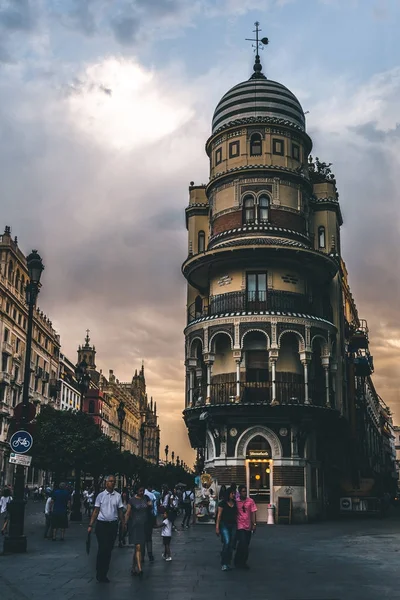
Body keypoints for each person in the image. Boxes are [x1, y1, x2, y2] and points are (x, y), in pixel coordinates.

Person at [88, 475, 125, 584]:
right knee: (103, 548)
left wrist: (123, 523)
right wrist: (90, 525)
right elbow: (96, 511)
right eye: (111, 481)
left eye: (114, 481)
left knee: (108, 550)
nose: (113, 483)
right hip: (102, 525)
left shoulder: (118, 496)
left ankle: (104, 573)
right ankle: (99, 571)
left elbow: (120, 511)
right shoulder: (101, 496)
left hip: (112, 525)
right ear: (106, 483)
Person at [124, 484, 153, 577]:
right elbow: (128, 512)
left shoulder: (146, 498)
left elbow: (151, 508)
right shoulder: (132, 500)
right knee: (138, 547)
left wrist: (150, 505)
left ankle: (133, 567)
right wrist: (124, 523)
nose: (142, 492)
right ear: (136, 491)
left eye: (143, 491)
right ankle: (140, 569)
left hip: (144, 525)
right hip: (135, 525)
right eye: (140, 491)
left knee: (139, 547)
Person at [234, 485, 257, 570]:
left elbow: (253, 512)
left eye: (245, 491)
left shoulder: (250, 501)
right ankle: (240, 561)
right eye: (243, 491)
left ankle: (240, 560)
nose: (244, 493)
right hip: (240, 525)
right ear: (239, 493)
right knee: (242, 542)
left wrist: (254, 524)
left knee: (245, 544)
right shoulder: (236, 502)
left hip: (248, 525)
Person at [216, 487, 237, 571]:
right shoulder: (222, 503)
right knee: (227, 542)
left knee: (232, 543)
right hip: (224, 524)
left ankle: (228, 561)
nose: (233, 495)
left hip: (233, 524)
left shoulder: (235, 503)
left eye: (234, 493)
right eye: (232, 493)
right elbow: (219, 515)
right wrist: (217, 527)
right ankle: (224, 562)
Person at [144, 483, 157, 561]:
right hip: (148, 521)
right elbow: (154, 509)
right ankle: (150, 554)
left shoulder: (145, 497)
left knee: (143, 539)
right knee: (148, 539)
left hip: (143, 521)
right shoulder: (151, 496)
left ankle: (142, 556)